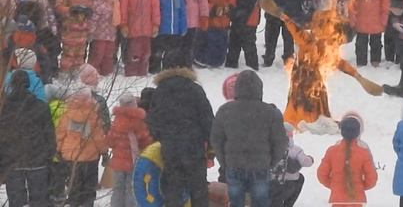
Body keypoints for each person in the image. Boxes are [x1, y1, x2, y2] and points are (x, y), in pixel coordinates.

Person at [210, 70, 288, 207]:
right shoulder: (270, 112)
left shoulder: (225, 111)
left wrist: (225, 162)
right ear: (259, 89)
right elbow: (280, 141)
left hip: (234, 164)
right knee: (260, 201)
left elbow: (216, 140)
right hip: (260, 165)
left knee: (235, 201)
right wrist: (271, 162)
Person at [146, 67, 215, 207]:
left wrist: (162, 137)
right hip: (194, 147)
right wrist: (211, 148)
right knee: (199, 191)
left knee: (173, 189)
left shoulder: (161, 91)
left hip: (170, 148)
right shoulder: (195, 89)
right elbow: (207, 119)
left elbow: (153, 120)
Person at [0, 69, 56, 207]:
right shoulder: (40, 106)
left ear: (11, 84)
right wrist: (49, 154)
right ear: (28, 84)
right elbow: (49, 133)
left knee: (16, 201)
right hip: (37, 160)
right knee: (39, 201)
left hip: (12, 161)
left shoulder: (4, 108)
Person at [56, 86, 108, 207]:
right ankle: (87, 204)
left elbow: (60, 134)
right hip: (90, 157)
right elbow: (98, 137)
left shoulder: (67, 114)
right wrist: (104, 152)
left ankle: (74, 203)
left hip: (71, 156)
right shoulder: (93, 115)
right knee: (89, 187)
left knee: (74, 186)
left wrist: (58, 150)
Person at [317, 113, 378, 207]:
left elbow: (321, 174)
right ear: (358, 132)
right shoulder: (364, 153)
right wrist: (361, 187)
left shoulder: (332, 151)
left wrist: (334, 186)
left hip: (337, 198)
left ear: (341, 131)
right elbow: (372, 178)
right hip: (357, 199)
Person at [107, 93, 153, 207]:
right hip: (133, 162)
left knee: (118, 188)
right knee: (131, 188)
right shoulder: (139, 122)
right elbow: (146, 142)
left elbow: (109, 141)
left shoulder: (116, 122)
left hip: (118, 163)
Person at [120, 0, 160, 77]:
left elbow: (155, 7)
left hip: (147, 28)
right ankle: (131, 72)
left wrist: (155, 24)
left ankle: (142, 72)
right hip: (133, 28)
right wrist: (124, 24)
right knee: (134, 52)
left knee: (146, 51)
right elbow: (124, 7)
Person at [194, 0, 236, 68]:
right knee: (210, 42)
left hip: (223, 22)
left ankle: (219, 60)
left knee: (222, 42)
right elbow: (202, 2)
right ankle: (205, 60)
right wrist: (213, 9)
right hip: (210, 22)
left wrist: (228, 7)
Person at [149, 0, 187, 73]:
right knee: (158, 50)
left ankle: (168, 68)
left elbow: (182, 12)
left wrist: (183, 27)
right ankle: (154, 68)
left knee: (172, 51)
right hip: (162, 30)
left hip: (175, 30)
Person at [55, 0, 93, 72]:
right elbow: (58, 6)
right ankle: (65, 71)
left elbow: (90, 6)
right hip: (70, 29)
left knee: (80, 53)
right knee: (69, 52)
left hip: (82, 30)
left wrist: (88, 12)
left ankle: (77, 70)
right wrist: (70, 10)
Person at [270, 122, 314, 207]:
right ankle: (288, 204)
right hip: (287, 184)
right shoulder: (296, 150)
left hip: (270, 184)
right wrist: (310, 159)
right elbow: (304, 162)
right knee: (299, 179)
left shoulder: (269, 147)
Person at [88, 0, 121, 76]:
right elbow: (93, 19)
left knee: (109, 54)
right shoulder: (98, 2)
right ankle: (93, 73)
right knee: (98, 54)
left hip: (111, 34)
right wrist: (90, 32)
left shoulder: (114, 2)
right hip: (99, 34)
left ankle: (107, 73)